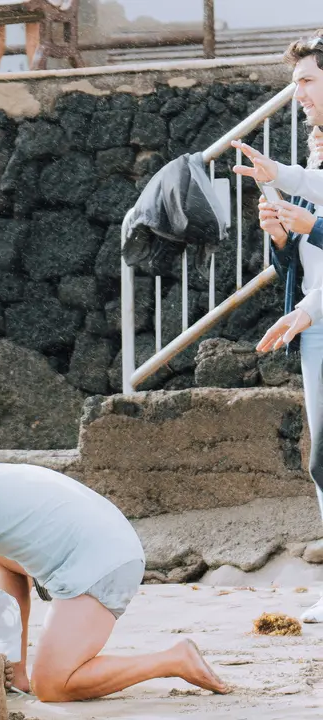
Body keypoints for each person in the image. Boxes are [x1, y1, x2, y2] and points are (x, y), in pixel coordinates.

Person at [0, 461, 227, 702]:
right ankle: (15, 675)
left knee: (53, 685)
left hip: (104, 562)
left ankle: (173, 660)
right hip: (103, 540)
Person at [231, 31, 323, 624]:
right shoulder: (317, 151)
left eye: (308, 81)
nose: (299, 94)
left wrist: (299, 210)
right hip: (315, 319)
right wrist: (284, 237)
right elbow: (303, 257)